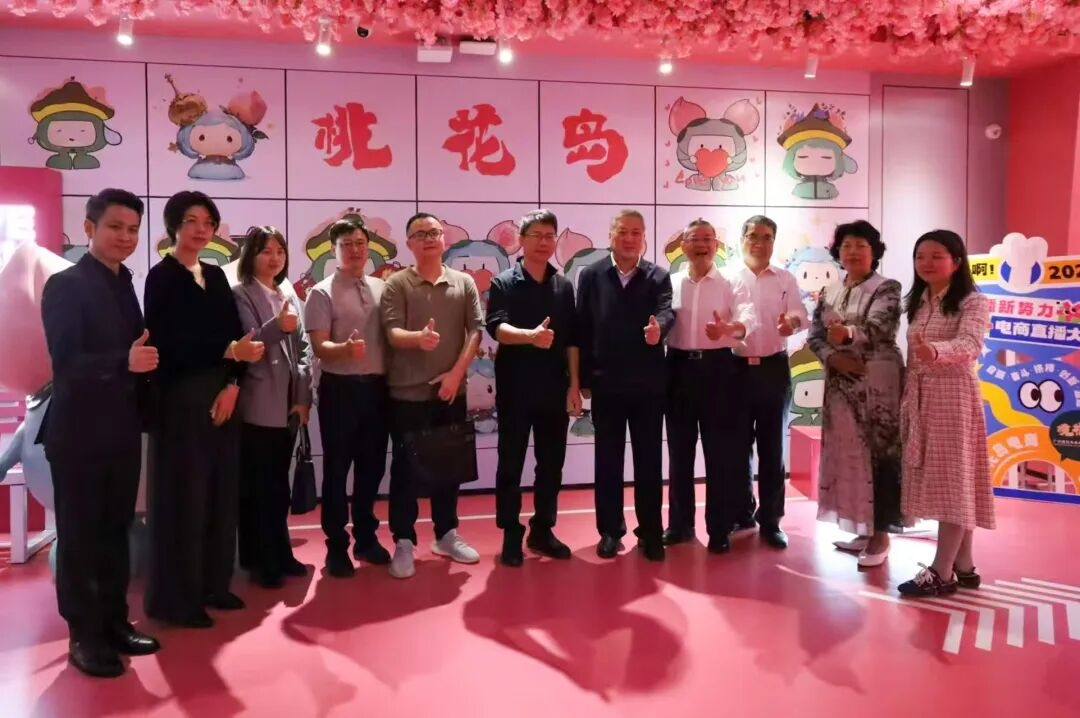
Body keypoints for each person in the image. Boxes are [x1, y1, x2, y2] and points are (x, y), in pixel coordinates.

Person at [40, 189, 160, 677]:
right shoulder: (65, 285)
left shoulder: (124, 282)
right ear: (89, 228)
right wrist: (123, 361)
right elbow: (66, 363)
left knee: (115, 531)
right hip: (78, 434)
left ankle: (114, 622)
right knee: (80, 537)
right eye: (115, 227)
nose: (125, 237)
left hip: (121, 430)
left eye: (133, 229)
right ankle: (83, 635)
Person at [143, 190, 264, 628]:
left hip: (222, 396)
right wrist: (226, 351)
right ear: (174, 225)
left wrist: (233, 384)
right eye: (191, 221)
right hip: (180, 399)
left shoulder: (214, 275)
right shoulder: (161, 277)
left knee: (220, 493)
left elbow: (237, 336)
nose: (201, 229)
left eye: (208, 222)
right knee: (184, 498)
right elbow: (168, 343)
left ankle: (215, 584)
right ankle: (178, 598)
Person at [380, 212, 484, 579]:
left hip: (450, 391)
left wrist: (455, 375)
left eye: (435, 232)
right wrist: (418, 339)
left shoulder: (463, 282)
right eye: (421, 233)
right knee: (405, 471)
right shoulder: (397, 283)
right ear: (409, 242)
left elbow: (476, 330)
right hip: (407, 394)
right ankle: (404, 541)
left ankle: (446, 534)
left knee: (448, 467)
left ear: (444, 239)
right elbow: (392, 332)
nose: (429, 238)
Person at [898, 229, 994, 597]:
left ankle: (942, 571)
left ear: (956, 262)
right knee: (954, 480)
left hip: (953, 397)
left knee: (954, 482)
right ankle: (964, 565)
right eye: (920, 256)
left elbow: (971, 344)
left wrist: (936, 351)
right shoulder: (919, 300)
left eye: (936, 256)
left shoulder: (973, 301)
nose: (926, 263)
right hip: (922, 397)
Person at [577, 209, 674, 561]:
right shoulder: (591, 275)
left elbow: (667, 311)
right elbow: (582, 327)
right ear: (611, 236)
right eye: (623, 232)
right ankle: (609, 531)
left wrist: (658, 330)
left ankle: (650, 532)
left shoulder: (658, 276)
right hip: (606, 384)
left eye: (636, 232)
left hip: (648, 386)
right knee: (608, 462)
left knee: (649, 462)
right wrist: (584, 379)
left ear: (644, 238)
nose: (630, 239)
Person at [486, 209, 581, 566]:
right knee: (510, 464)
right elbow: (496, 328)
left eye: (549, 236)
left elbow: (571, 340)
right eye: (536, 235)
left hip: (554, 388)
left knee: (551, 465)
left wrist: (574, 385)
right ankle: (511, 533)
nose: (543, 242)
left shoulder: (563, 285)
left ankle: (543, 530)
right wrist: (530, 336)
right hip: (515, 388)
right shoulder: (504, 283)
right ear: (522, 240)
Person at [808, 220, 906, 567]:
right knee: (849, 455)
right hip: (840, 383)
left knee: (880, 455)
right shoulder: (830, 290)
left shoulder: (887, 287)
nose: (852, 252)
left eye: (861, 246)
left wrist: (848, 334)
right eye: (846, 245)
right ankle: (863, 528)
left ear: (874, 251)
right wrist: (833, 357)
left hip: (877, 383)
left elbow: (880, 327)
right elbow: (815, 336)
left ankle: (881, 536)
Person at [304, 218, 392, 578]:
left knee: (372, 468)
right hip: (340, 390)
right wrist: (344, 349)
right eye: (346, 244)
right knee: (337, 470)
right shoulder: (321, 292)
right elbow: (319, 346)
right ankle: (336, 546)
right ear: (333, 250)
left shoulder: (383, 288)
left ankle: (366, 539)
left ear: (368, 247)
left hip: (378, 390)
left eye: (360, 243)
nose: (355, 250)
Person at [664, 219, 756, 554]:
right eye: (694, 239)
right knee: (679, 453)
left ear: (716, 245)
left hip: (720, 369)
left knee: (720, 454)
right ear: (683, 245)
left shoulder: (733, 281)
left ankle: (719, 528)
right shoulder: (671, 282)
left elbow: (749, 316)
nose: (701, 245)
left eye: (707, 239)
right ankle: (679, 525)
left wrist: (730, 329)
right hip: (677, 369)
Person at [232, 226, 313, 588]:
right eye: (266, 251)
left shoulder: (288, 291)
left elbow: (305, 346)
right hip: (259, 402)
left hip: (288, 404)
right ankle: (259, 559)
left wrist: (303, 398)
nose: (274, 258)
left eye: (279, 251)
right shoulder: (240, 293)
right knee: (258, 486)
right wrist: (278, 325)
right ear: (251, 255)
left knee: (278, 485)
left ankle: (281, 553)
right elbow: (249, 343)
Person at [729, 215, 808, 549]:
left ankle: (771, 520)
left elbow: (801, 314)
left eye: (766, 237)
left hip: (774, 369)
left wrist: (792, 323)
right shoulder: (727, 277)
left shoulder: (785, 278)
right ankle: (741, 513)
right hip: (734, 370)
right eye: (752, 236)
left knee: (773, 449)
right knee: (736, 448)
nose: (759, 243)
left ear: (774, 242)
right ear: (741, 239)